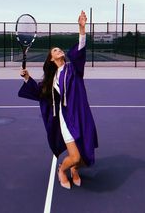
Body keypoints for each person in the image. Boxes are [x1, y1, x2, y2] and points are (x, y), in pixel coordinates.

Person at [18, 11, 98, 189]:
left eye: (59, 49)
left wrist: (82, 28)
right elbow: (39, 91)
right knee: (75, 156)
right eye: (54, 50)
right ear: (51, 59)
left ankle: (75, 169)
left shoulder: (74, 69)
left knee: (87, 157)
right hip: (66, 118)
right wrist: (26, 78)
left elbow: (81, 50)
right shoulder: (51, 79)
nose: (59, 50)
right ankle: (63, 169)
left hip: (81, 114)